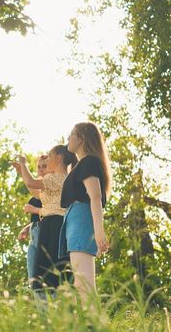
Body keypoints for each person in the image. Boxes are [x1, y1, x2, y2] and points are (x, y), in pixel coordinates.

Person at [59, 122, 111, 302]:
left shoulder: (89, 162)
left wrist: (99, 231)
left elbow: (95, 197)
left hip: (82, 220)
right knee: (80, 286)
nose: (68, 138)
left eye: (71, 134)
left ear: (81, 139)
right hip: (74, 221)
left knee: (85, 286)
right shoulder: (80, 165)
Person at [15, 145, 78, 294]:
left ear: (58, 158)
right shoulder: (64, 179)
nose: (47, 158)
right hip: (53, 225)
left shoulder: (56, 178)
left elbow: (32, 184)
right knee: (53, 270)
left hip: (53, 225)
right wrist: (23, 172)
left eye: (50, 156)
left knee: (46, 272)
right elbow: (38, 194)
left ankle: (50, 308)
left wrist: (24, 163)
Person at [15, 156, 48, 286]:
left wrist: (33, 209)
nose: (41, 170)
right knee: (32, 277)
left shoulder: (50, 186)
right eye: (39, 167)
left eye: (44, 166)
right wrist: (28, 227)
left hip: (45, 233)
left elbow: (51, 212)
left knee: (41, 277)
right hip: (34, 233)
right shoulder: (38, 187)